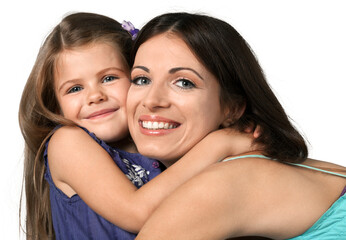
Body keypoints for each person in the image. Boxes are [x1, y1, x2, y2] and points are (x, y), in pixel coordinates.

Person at [18, 12, 256, 240]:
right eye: (74, 89)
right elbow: (136, 213)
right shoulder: (68, 142)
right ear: (57, 107)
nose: (95, 96)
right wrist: (220, 143)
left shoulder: (160, 147)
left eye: (109, 78)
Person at [122, 12, 346, 239]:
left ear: (232, 108)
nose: (151, 100)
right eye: (141, 79)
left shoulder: (221, 185)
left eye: (184, 82)